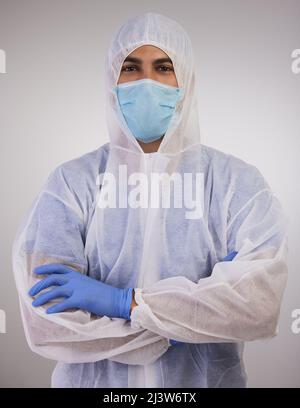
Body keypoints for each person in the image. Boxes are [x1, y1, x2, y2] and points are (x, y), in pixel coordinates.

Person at [12, 11, 288, 388]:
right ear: (112, 80)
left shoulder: (236, 187)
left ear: (185, 80)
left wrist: (124, 303)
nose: (147, 82)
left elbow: (257, 306)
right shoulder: (71, 184)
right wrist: (190, 317)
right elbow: (48, 325)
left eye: (163, 67)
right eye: (130, 68)